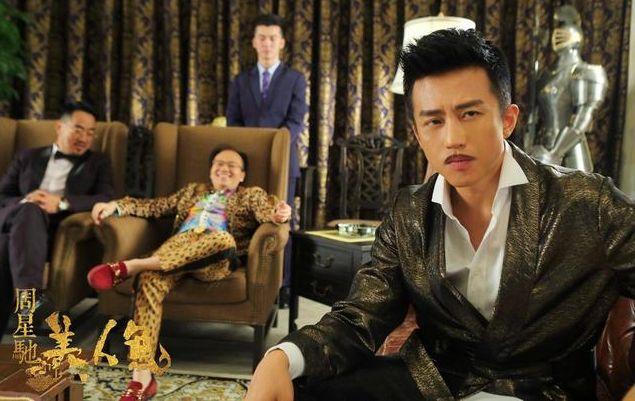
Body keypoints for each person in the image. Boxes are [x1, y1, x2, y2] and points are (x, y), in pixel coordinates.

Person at [244, 29, 635, 401]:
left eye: (470, 114)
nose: (452, 138)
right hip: (433, 383)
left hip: (546, 390)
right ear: (417, 133)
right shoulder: (409, 213)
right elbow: (361, 316)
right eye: (434, 121)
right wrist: (281, 357)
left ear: (507, 119)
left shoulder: (586, 202)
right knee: (297, 387)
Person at [87, 146, 291, 401]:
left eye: (232, 165)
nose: (224, 168)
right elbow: (155, 206)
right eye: (219, 163)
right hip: (176, 251)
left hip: (214, 259)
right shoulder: (192, 191)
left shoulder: (250, 195)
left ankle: (131, 266)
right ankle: (142, 378)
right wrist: (114, 205)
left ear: (242, 175)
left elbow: (267, 210)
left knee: (222, 239)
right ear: (210, 170)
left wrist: (278, 214)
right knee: (149, 280)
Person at [0, 101, 114, 335]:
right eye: (79, 129)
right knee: (30, 210)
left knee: (4, 245)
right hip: (13, 218)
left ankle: (24, 304)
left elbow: (106, 197)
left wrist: (61, 203)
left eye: (91, 133)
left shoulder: (98, 163)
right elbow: (3, 194)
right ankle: (28, 300)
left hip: (53, 230)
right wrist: (27, 200)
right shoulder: (27, 156)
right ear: (60, 127)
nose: (85, 138)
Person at [226, 13, 308, 302]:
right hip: (246, 166)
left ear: (282, 42)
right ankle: (251, 285)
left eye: (272, 38)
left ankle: (282, 287)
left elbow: (295, 122)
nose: (267, 43)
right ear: (254, 42)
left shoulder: (295, 79)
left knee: (280, 223)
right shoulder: (241, 80)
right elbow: (233, 121)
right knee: (246, 222)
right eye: (262, 37)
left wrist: (271, 147)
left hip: (283, 163)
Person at [527, 4, 608, 172]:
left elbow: (581, 121)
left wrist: (556, 153)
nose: (558, 35)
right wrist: (528, 149)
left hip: (571, 152)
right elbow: (532, 119)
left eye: (565, 32)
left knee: (575, 188)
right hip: (541, 148)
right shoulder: (544, 75)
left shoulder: (586, 72)